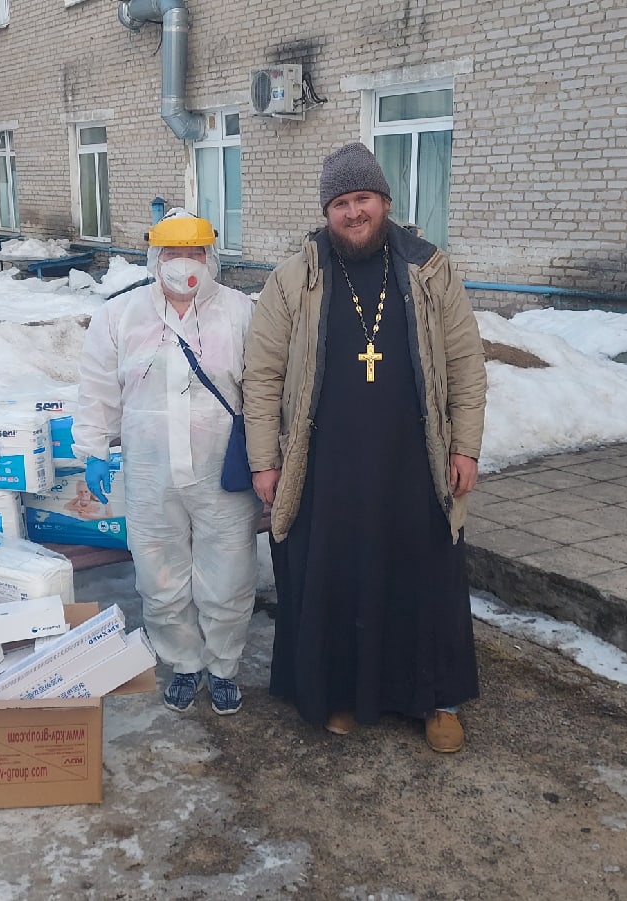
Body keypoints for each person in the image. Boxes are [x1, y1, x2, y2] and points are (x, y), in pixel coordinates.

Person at [243, 142, 487, 753]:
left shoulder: (429, 269)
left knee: (425, 575)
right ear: (327, 211)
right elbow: (262, 374)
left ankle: (437, 699)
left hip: (415, 460)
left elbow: (465, 364)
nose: (354, 212)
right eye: (341, 203)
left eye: (364, 199)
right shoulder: (295, 277)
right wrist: (265, 461)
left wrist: (465, 447)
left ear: (385, 201)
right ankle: (342, 693)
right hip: (326, 464)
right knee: (335, 574)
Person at [73, 210, 262, 715]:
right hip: (149, 470)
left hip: (224, 471)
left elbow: (265, 389)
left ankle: (223, 667)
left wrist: (270, 456)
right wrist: (93, 449)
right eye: (173, 253)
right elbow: (97, 389)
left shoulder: (240, 312)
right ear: (156, 257)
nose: (184, 263)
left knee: (229, 573)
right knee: (159, 574)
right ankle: (184, 662)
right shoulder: (120, 315)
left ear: (211, 256)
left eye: (195, 253)